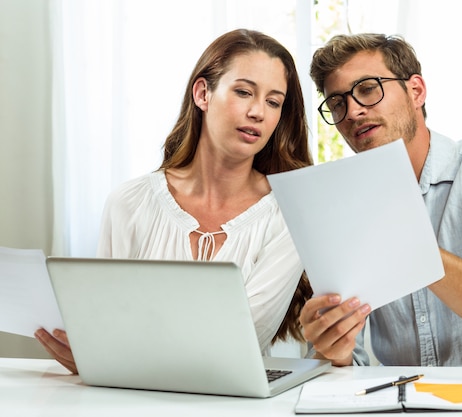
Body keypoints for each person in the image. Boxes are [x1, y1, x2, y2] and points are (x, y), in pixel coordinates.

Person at [35, 28, 313, 374]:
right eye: (244, 92)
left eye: (274, 102)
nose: (258, 112)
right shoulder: (129, 203)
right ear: (203, 93)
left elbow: (243, 335)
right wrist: (100, 350)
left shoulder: (290, 211)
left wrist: (106, 355)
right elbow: (105, 319)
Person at [299, 33, 462, 367]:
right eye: (337, 103)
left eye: (367, 89)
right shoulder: (343, 210)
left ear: (416, 91)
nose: (352, 111)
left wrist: (410, 245)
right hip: (408, 403)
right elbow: (350, 365)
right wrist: (333, 351)